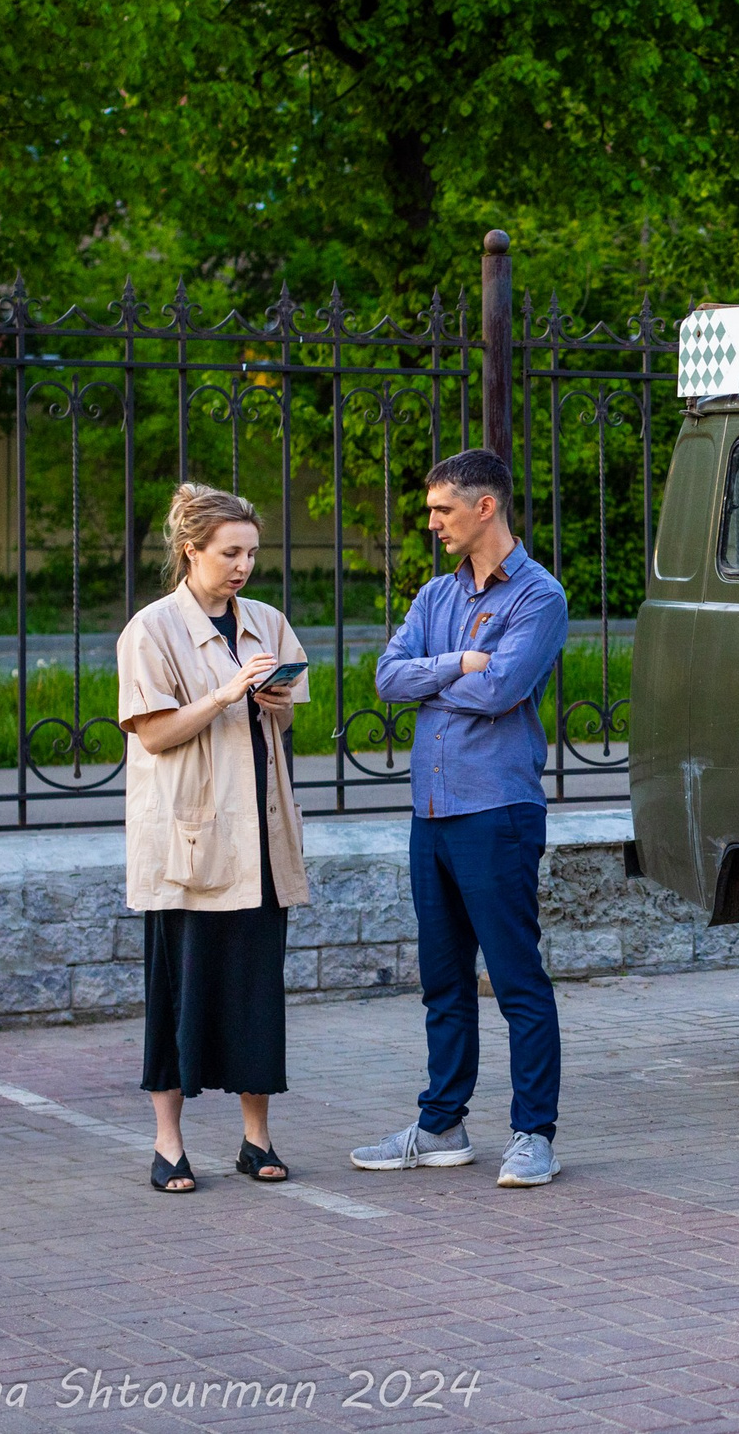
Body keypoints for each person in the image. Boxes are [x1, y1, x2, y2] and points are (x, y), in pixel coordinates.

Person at [352, 449, 570, 1187]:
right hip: (433, 812)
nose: (432, 522)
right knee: (443, 983)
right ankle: (441, 1124)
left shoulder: (539, 596)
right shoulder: (434, 596)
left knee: (515, 980)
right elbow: (388, 677)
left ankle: (534, 1134)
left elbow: (503, 689)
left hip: (497, 812)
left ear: (485, 507)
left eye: (442, 509)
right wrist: (458, 664)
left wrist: (445, 675)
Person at [117, 484, 313, 1193]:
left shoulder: (266, 621)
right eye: (230, 553)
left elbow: (285, 721)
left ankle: (256, 1139)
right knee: (179, 991)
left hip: (259, 836)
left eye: (252, 553)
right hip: (190, 839)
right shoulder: (151, 630)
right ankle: (168, 1143)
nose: (243, 567)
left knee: (256, 991)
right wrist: (227, 694)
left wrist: (275, 701)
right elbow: (154, 732)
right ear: (190, 550)